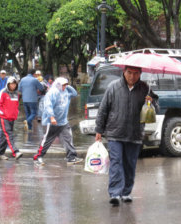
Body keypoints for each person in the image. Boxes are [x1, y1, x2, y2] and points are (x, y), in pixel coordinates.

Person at [95, 66, 159, 206]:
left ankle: (126, 192)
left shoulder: (145, 88)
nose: (132, 76)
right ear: (124, 72)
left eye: (136, 73)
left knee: (130, 164)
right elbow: (103, 109)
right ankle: (115, 193)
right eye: (129, 72)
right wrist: (99, 129)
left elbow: (156, 108)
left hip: (135, 134)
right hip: (115, 133)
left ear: (140, 74)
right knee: (116, 163)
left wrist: (151, 102)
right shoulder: (113, 87)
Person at [33, 77, 83, 166]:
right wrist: (52, 117)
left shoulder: (66, 92)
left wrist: (68, 85)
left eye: (65, 85)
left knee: (68, 138)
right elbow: (48, 105)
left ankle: (71, 157)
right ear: (58, 84)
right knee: (47, 140)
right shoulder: (52, 93)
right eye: (63, 85)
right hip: (52, 122)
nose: (64, 87)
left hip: (63, 121)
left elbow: (75, 94)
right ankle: (38, 157)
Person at [0, 76, 23, 160]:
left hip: (12, 118)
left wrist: (16, 113)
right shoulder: (3, 92)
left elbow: (16, 105)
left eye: (14, 84)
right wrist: (3, 113)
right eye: (11, 84)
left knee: (5, 136)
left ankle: (0, 154)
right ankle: (15, 152)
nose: (13, 86)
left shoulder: (16, 93)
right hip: (4, 118)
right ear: (8, 84)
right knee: (9, 134)